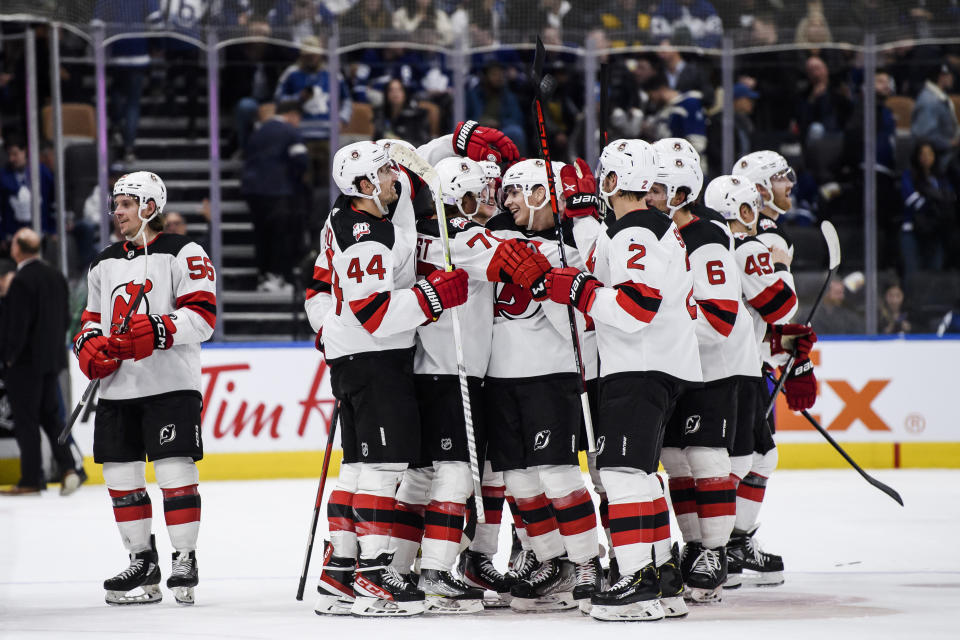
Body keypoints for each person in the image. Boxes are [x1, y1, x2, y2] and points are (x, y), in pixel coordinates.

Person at [306, 141, 469, 617]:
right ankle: (375, 573)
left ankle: (340, 571)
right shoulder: (366, 235)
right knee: (385, 466)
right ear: (362, 186)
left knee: (357, 466)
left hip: (356, 359)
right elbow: (375, 313)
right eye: (383, 174)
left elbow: (329, 291)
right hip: (374, 359)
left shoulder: (353, 220)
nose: (393, 180)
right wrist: (432, 296)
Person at [546, 139, 700, 621]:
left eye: (602, 178)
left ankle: (637, 583)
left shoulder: (636, 230)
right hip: (654, 363)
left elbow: (635, 308)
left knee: (622, 473)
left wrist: (578, 289)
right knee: (640, 473)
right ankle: (662, 575)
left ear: (612, 181)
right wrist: (582, 225)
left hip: (640, 362)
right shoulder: (647, 226)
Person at [73, 171, 216, 606]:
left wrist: (155, 329)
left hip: (170, 385)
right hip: (118, 389)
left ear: (149, 206)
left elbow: (203, 319)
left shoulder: (183, 251)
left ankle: (184, 559)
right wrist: (88, 347)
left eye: (125, 205)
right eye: (115, 205)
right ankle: (142, 562)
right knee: (120, 477)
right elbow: (89, 320)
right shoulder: (103, 261)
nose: (116, 213)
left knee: (175, 473)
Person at [646, 139, 751, 604]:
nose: (647, 194)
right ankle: (694, 547)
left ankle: (716, 550)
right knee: (676, 461)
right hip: (676, 368)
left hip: (710, 369)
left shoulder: (706, 238)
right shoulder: (655, 234)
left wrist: (659, 326)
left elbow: (721, 318)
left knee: (707, 459)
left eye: (657, 187)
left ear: (682, 190)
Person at [0, 228, 86, 496]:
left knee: (26, 421)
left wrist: (9, 357)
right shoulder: (56, 276)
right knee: (51, 417)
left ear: (17, 249)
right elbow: (65, 318)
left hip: (26, 363)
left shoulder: (23, 280)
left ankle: (30, 479)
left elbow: (18, 325)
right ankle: (68, 467)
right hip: (52, 359)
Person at [241, 99, 309, 293]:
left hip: (252, 190)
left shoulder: (258, 132)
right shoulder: (290, 131)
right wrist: (296, 180)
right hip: (278, 190)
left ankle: (264, 277)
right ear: (292, 115)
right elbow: (301, 160)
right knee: (280, 234)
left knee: (261, 234)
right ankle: (279, 277)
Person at [1, 134, 55, 244]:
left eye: (15, 154)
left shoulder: (42, 172)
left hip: (41, 233)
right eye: (9, 154)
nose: (11, 158)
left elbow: (53, 201)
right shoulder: (3, 176)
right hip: (14, 238)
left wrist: (53, 229)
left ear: (24, 151)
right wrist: (2, 236)